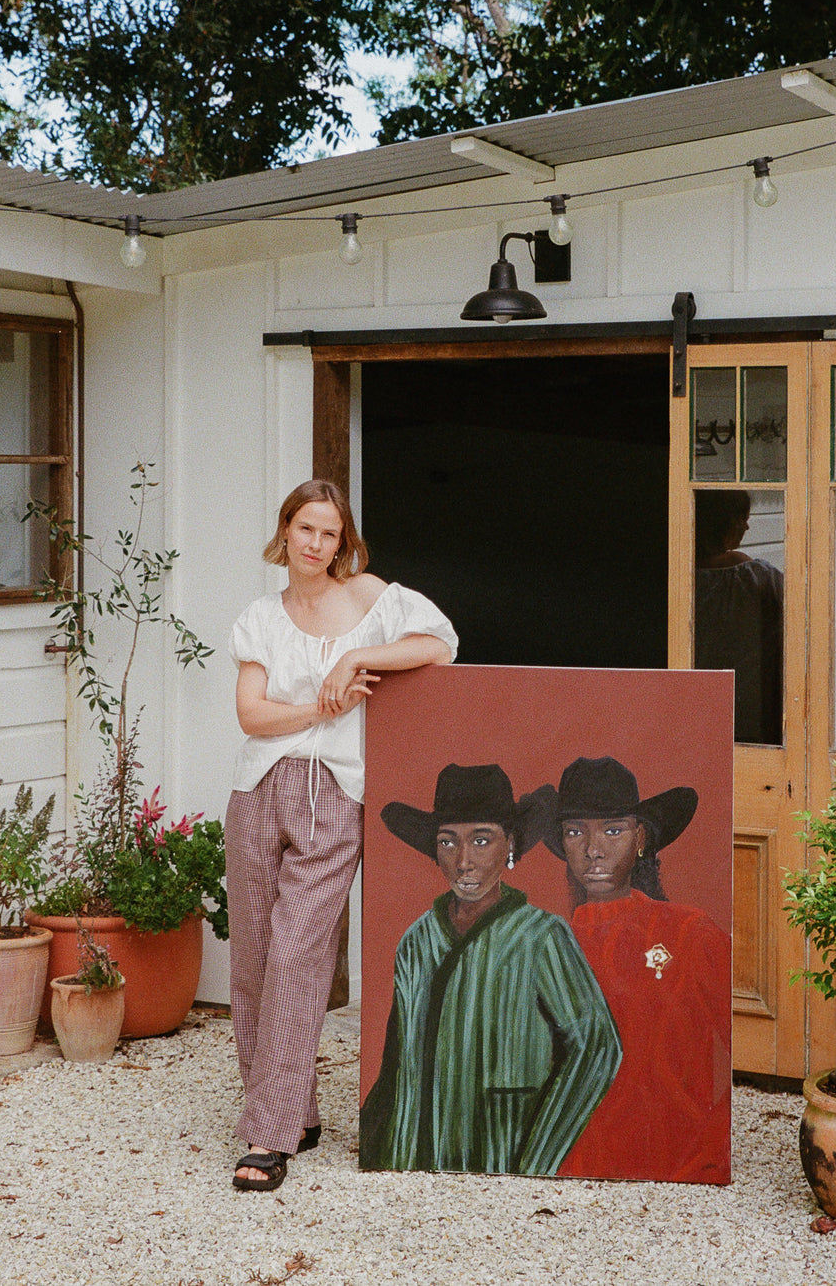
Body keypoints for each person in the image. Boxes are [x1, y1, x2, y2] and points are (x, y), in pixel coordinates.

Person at [226, 479, 457, 1192]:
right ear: (286, 530)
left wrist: (357, 661)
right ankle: (293, 1110)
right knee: (256, 960)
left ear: (341, 541)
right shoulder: (260, 617)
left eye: (329, 532)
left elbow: (440, 642)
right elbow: (250, 716)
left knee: (299, 954)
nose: (315, 543)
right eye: (304, 528)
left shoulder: (369, 598)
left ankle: (267, 1140)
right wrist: (316, 706)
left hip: (337, 796)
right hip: (258, 792)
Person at [359, 762, 622, 1176]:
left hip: (504, 1154)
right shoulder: (416, 942)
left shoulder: (541, 936)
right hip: (411, 1157)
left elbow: (597, 1046)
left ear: (510, 845)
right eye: (448, 843)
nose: (463, 861)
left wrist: (539, 1159)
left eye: (481, 841)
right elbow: (396, 1063)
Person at [545, 756, 731, 1183]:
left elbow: (738, 1043)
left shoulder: (688, 932)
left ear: (641, 837)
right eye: (576, 832)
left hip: (680, 1165)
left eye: (613, 830)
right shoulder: (549, 947)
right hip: (572, 1169)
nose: (593, 849)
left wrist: (708, 1145)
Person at [694, 488, 784, 745]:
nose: (747, 526)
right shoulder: (754, 577)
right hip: (753, 707)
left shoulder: (680, 574)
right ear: (723, 521)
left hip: (701, 706)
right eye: (742, 517)